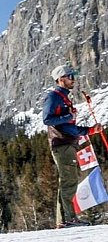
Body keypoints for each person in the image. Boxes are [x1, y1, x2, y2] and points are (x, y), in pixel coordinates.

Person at [42, 65, 100, 227]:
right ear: (60, 79)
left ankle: (66, 220)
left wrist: (90, 130)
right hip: (61, 144)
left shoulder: (65, 97)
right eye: (69, 76)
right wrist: (69, 116)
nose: (73, 79)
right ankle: (68, 219)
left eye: (73, 76)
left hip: (68, 142)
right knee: (69, 180)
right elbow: (47, 119)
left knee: (69, 180)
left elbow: (69, 126)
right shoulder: (54, 96)